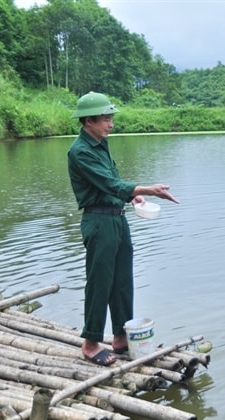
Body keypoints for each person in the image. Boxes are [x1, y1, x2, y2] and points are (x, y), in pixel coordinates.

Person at [67, 91, 179, 366]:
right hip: (99, 222)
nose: (111, 124)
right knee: (100, 282)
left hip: (117, 218)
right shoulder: (80, 151)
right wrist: (146, 189)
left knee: (122, 281)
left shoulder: (100, 143)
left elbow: (112, 183)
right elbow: (109, 184)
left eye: (110, 118)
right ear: (88, 121)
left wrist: (132, 197)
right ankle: (91, 343)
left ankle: (119, 337)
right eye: (105, 119)